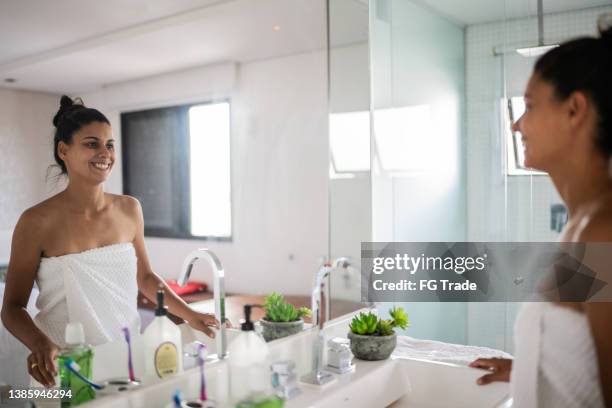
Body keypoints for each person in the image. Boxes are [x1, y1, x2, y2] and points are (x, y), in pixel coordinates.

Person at [0, 95, 222, 388]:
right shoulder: (36, 221)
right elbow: (12, 307)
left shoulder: (130, 209)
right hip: (64, 366)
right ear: (63, 150)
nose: (105, 152)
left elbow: (144, 277)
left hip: (125, 358)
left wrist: (190, 314)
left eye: (110, 144)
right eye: (92, 143)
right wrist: (40, 344)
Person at [469, 15, 612, 407]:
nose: (517, 124)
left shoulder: (603, 232)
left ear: (575, 109)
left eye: (530, 105)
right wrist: (531, 367)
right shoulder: (582, 223)